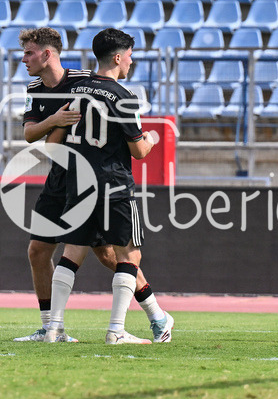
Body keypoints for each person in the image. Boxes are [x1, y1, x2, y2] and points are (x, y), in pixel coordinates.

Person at [16, 27, 170, 343]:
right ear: (117, 57)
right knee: (126, 254)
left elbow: (49, 144)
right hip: (107, 181)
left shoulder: (79, 87)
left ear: (47, 54)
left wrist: (60, 124)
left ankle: (153, 315)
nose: (24, 59)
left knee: (84, 252)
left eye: (28, 52)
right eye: (129, 56)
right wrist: (153, 137)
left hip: (79, 183)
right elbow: (138, 150)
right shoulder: (121, 95)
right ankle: (110, 329)